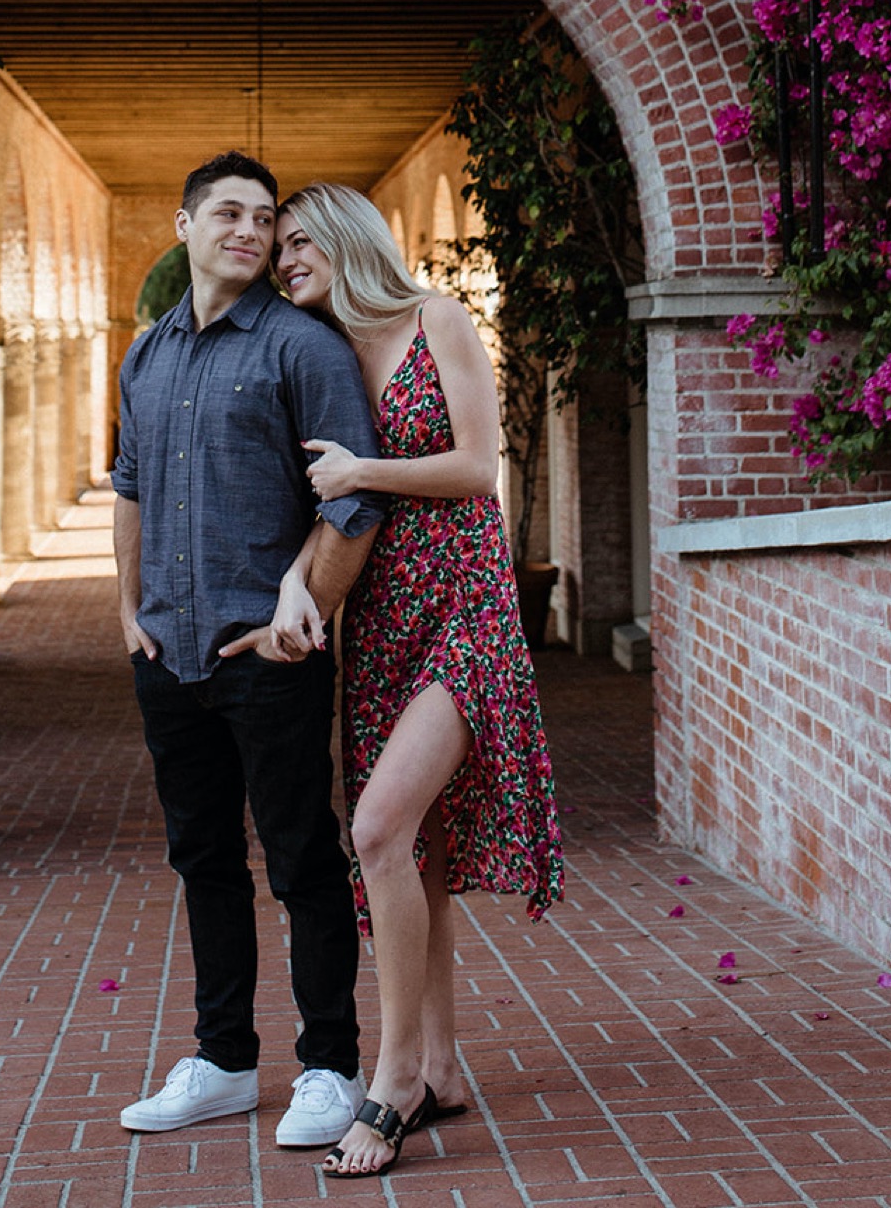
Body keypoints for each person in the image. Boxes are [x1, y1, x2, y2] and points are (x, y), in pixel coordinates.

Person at [261, 181, 564, 1179]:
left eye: (300, 239)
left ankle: (388, 1079)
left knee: (379, 827)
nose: (285, 257)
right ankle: (440, 1062)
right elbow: (311, 499)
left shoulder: (439, 319)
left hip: (468, 609)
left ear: (347, 238)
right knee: (417, 851)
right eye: (278, 248)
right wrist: (290, 582)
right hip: (383, 621)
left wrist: (364, 472)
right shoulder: (323, 354)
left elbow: (479, 466)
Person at [113, 150, 392, 1151]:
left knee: (301, 856)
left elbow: (354, 500)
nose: (250, 228)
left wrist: (299, 613)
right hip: (170, 654)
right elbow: (130, 486)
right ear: (183, 222)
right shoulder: (145, 355)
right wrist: (126, 608)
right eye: (226, 211)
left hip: (268, 654)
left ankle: (330, 1063)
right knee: (202, 859)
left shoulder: (302, 348)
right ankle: (225, 1059)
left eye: (264, 216)